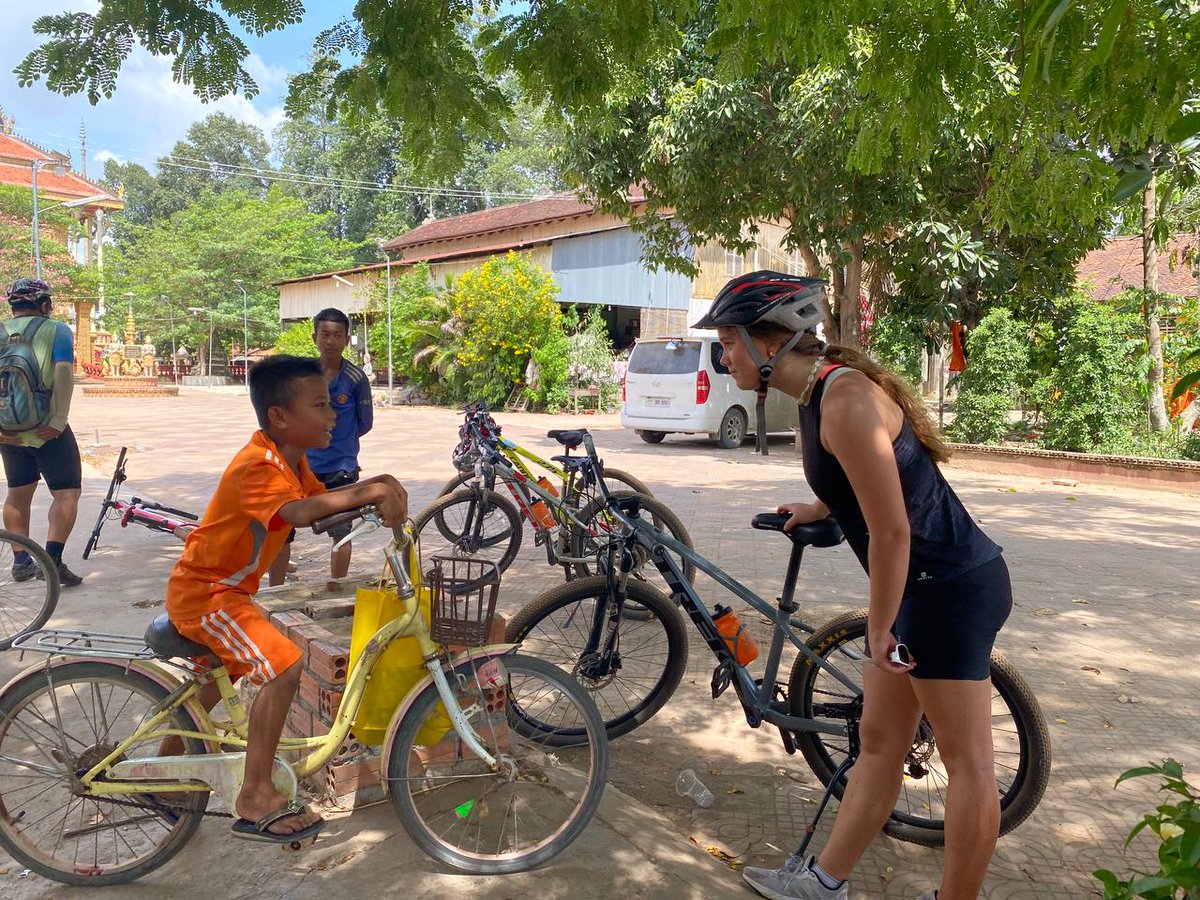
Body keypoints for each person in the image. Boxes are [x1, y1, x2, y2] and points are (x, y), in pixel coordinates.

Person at [695, 272, 1010, 900]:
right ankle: (825, 883)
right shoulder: (820, 394)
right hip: (922, 591)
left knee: (969, 766)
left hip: (945, 592)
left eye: (727, 342)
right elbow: (864, 482)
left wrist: (878, 625)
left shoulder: (843, 400)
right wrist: (821, 505)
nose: (722, 356)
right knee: (879, 744)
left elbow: (893, 531)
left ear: (768, 342)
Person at [166, 355, 406, 843]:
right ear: (280, 417)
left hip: (228, 590)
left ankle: (165, 772)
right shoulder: (259, 464)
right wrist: (375, 488)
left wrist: (380, 486)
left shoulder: (291, 460)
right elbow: (299, 512)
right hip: (208, 594)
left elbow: (324, 506)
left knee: (220, 679)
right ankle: (255, 794)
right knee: (283, 665)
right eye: (319, 405)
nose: (333, 414)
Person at [268, 308, 373, 585]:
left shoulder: (355, 379)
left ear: (347, 339)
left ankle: (335, 589)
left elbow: (365, 423)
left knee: (341, 532)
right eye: (325, 334)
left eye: (337, 335)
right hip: (300, 465)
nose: (330, 341)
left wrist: (335, 439)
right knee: (281, 530)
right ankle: (274, 592)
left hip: (341, 467)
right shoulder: (301, 378)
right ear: (315, 337)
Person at [0, 278, 84, 587]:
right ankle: (52, 561)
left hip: (9, 430)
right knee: (66, 492)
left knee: (18, 493)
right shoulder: (57, 330)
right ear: (44, 304)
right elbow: (63, 371)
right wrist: (59, 419)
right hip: (48, 429)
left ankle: (21, 561)